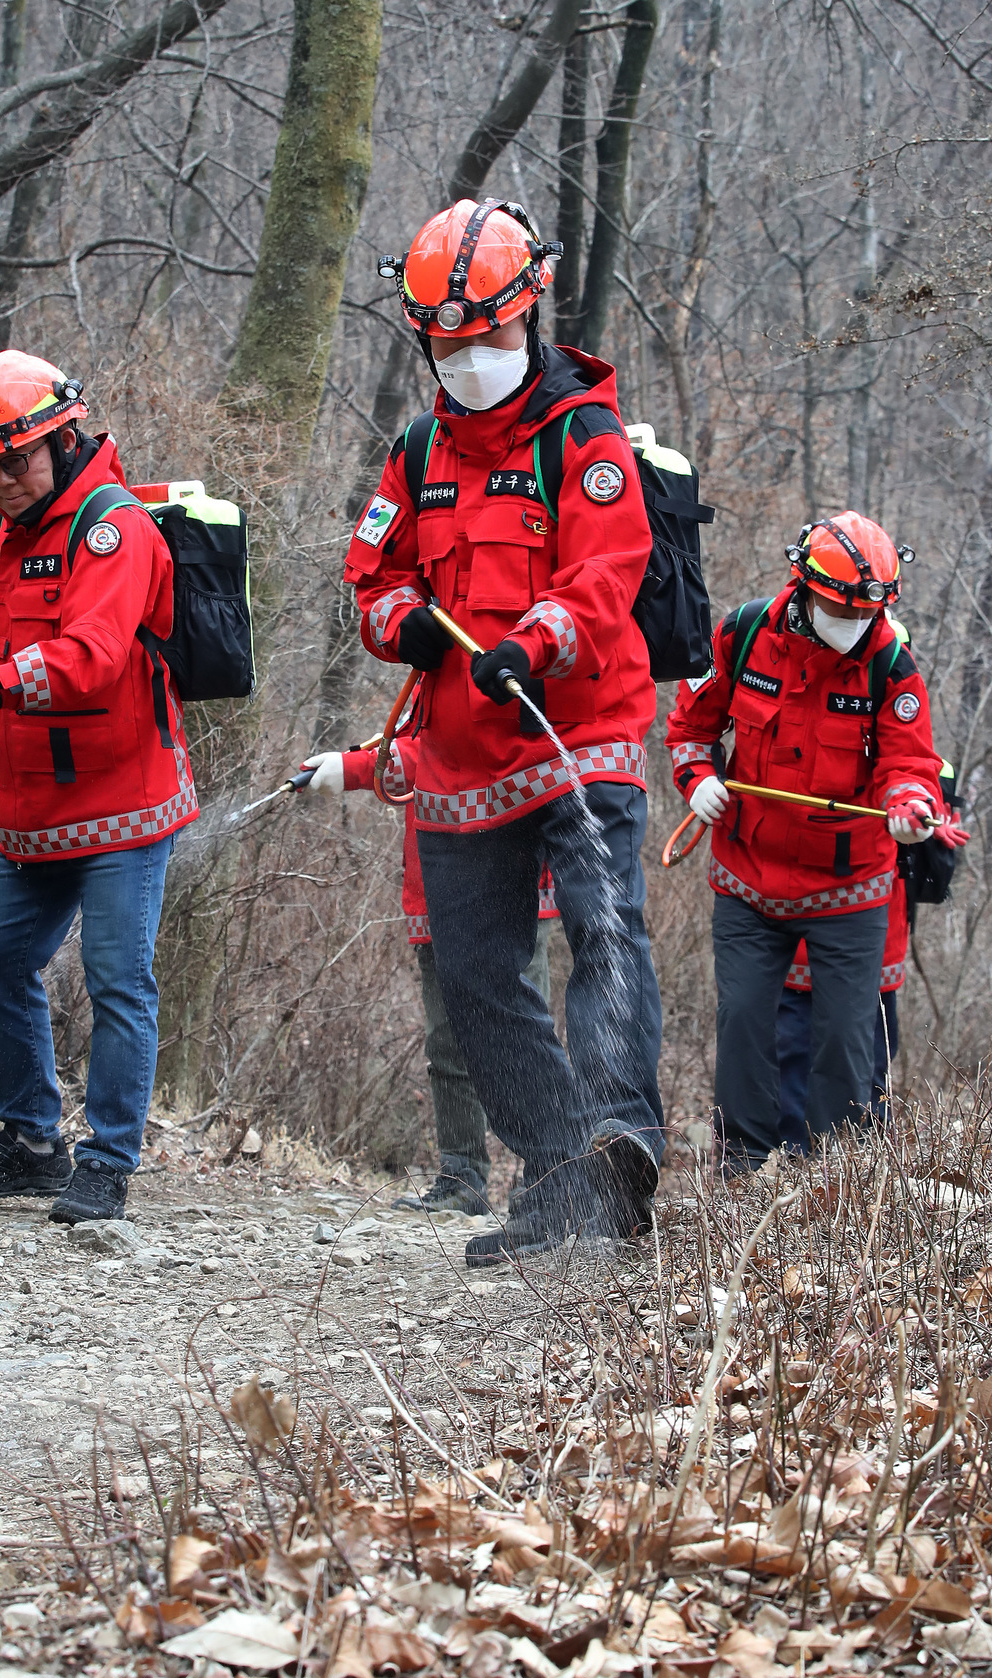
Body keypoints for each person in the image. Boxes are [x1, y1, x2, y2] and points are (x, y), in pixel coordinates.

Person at [346, 197, 665, 1267]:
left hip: (582, 729)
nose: (468, 355)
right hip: (460, 753)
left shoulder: (585, 435)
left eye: (486, 334)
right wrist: (397, 624)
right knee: (476, 975)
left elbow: (605, 569)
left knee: (600, 927)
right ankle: (558, 1180)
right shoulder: (416, 449)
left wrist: (535, 640)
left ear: (527, 314)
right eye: (447, 340)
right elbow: (372, 571)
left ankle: (622, 1143)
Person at [0, 351, 197, 1223]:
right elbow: (22, 626)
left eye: (18, 459)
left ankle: (107, 1163)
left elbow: (94, 657)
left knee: (117, 978)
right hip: (37, 806)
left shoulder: (113, 528)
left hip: (125, 800)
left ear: (63, 439)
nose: (1, 478)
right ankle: (33, 1141)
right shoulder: (16, 534)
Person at [665, 511, 942, 1172]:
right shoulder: (741, 633)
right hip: (747, 879)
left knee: (845, 1038)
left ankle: (832, 1176)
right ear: (804, 586)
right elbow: (688, 729)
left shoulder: (892, 668)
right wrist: (697, 778)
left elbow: (910, 765)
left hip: (850, 889)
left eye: (864, 617)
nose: (851, 629)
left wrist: (907, 806)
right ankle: (740, 1170)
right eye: (837, 612)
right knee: (742, 1026)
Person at [302, 736, 557, 1213]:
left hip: (510, 873)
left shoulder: (499, 662)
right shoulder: (424, 676)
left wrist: (356, 768)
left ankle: (547, 1177)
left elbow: (457, 749)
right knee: (447, 1039)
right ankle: (462, 1177)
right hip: (434, 880)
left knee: (526, 1039)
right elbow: (420, 744)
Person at [777, 759, 964, 1144]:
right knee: (799, 1054)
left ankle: (858, 1166)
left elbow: (939, 829)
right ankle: (800, 1162)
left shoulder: (913, 754)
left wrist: (931, 823)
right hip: (807, 935)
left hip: (874, 935)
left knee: (866, 1058)